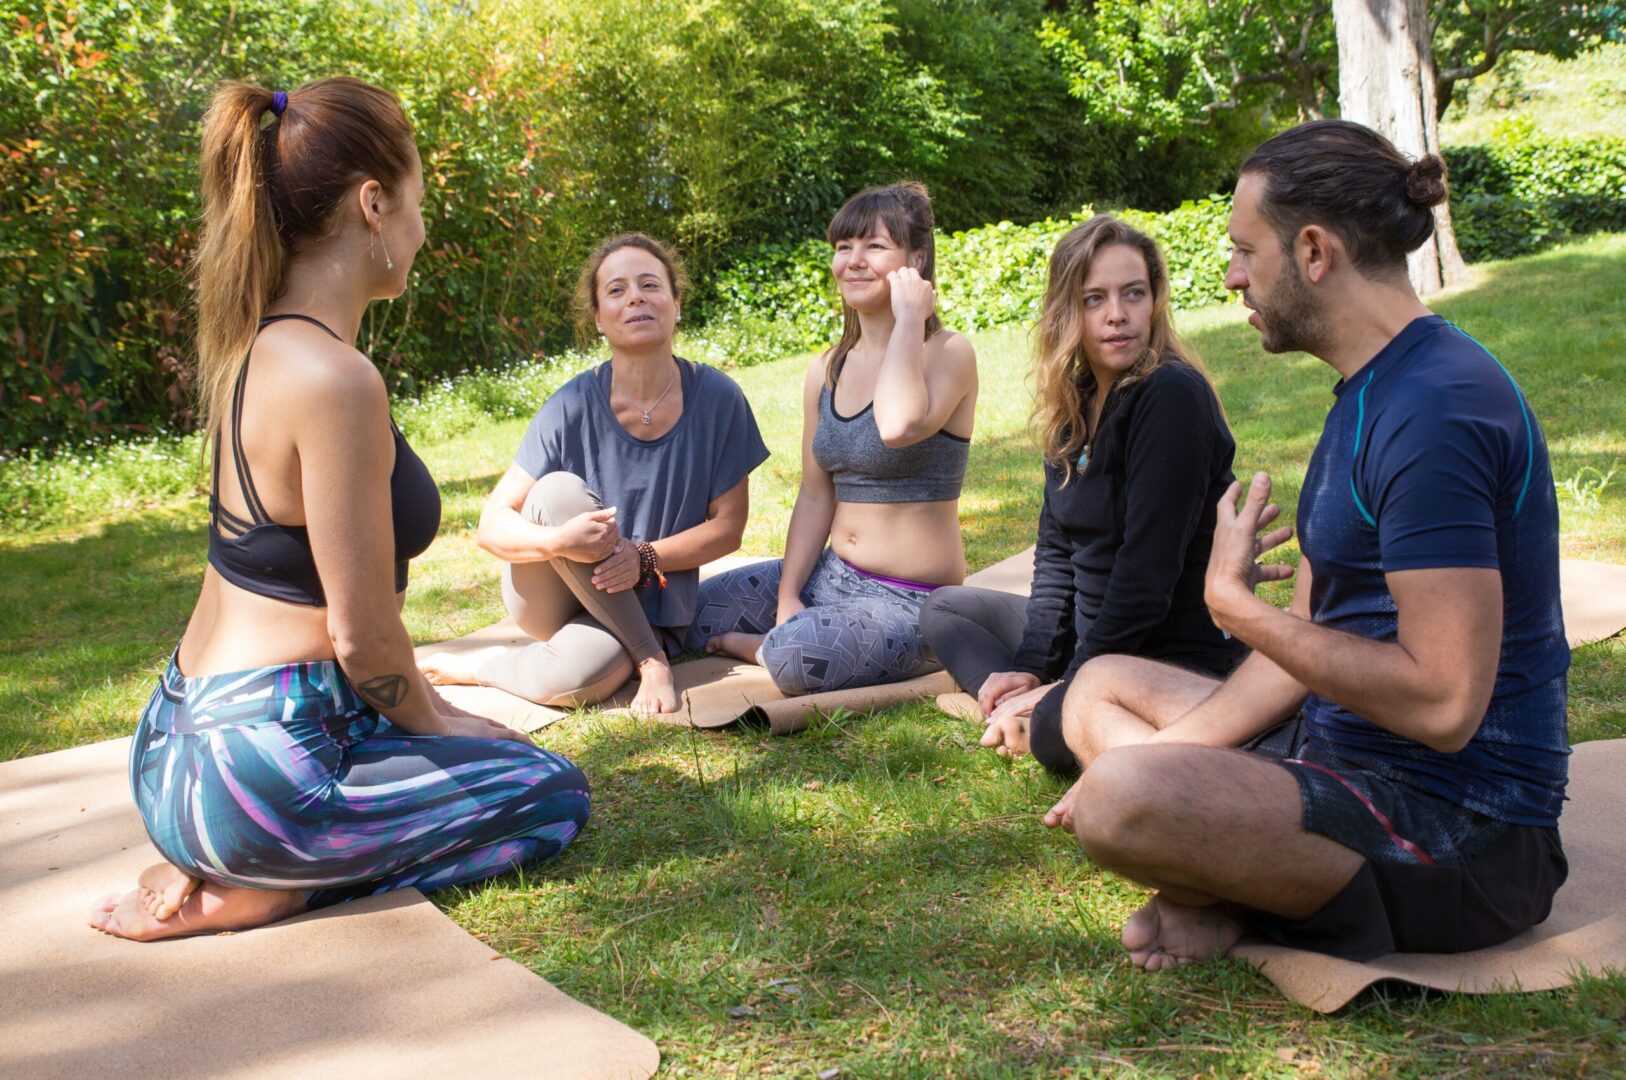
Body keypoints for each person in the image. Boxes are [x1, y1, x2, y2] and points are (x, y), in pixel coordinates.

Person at [1045, 119, 1570, 969]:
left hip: (1460, 829)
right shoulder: (1363, 393)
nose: (1232, 276)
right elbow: (1306, 649)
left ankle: (1233, 893)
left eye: (1246, 250)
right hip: (1336, 753)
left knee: (1119, 799)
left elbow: (1444, 705)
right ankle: (1226, 884)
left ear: (1315, 251)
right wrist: (1183, 748)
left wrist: (1236, 612)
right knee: (1094, 689)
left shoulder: (1436, 410)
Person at [89, 79, 590, 942]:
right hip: (260, 772)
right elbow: (360, 639)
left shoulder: (257, 350)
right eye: (419, 204)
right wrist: (441, 717)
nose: (423, 231)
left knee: (498, 758)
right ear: (372, 204)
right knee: (551, 794)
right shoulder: (335, 379)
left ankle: (242, 857)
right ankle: (277, 884)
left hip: (181, 741)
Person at [920, 216, 1244, 772]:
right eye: (1094, 299)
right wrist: (1030, 666)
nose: (1116, 314)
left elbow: (1147, 579)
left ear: (1155, 301)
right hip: (1088, 641)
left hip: (1162, 653)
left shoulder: (1170, 397)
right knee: (945, 609)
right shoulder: (1076, 403)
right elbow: (1056, 559)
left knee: (1055, 729)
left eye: (1133, 294)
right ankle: (1018, 708)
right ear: (1068, 312)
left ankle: (1040, 719)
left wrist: (1070, 685)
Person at [419, 234, 770, 717]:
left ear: (676, 304)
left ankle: (487, 667)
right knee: (558, 491)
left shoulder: (718, 398)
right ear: (599, 319)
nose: (636, 298)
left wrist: (644, 557)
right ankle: (651, 660)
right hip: (555, 598)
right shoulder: (571, 404)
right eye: (617, 291)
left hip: (649, 600)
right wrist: (562, 542)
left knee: (579, 678)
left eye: (650, 285)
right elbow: (491, 525)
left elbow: (728, 529)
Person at [688, 182, 977, 694]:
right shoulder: (827, 368)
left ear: (917, 259)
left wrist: (910, 316)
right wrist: (788, 595)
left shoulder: (948, 353)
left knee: (799, 654)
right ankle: (782, 633)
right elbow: (816, 493)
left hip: (912, 600)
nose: (854, 261)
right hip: (831, 576)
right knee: (691, 614)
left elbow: (897, 425)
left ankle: (766, 647)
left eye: (875, 246)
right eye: (844, 247)